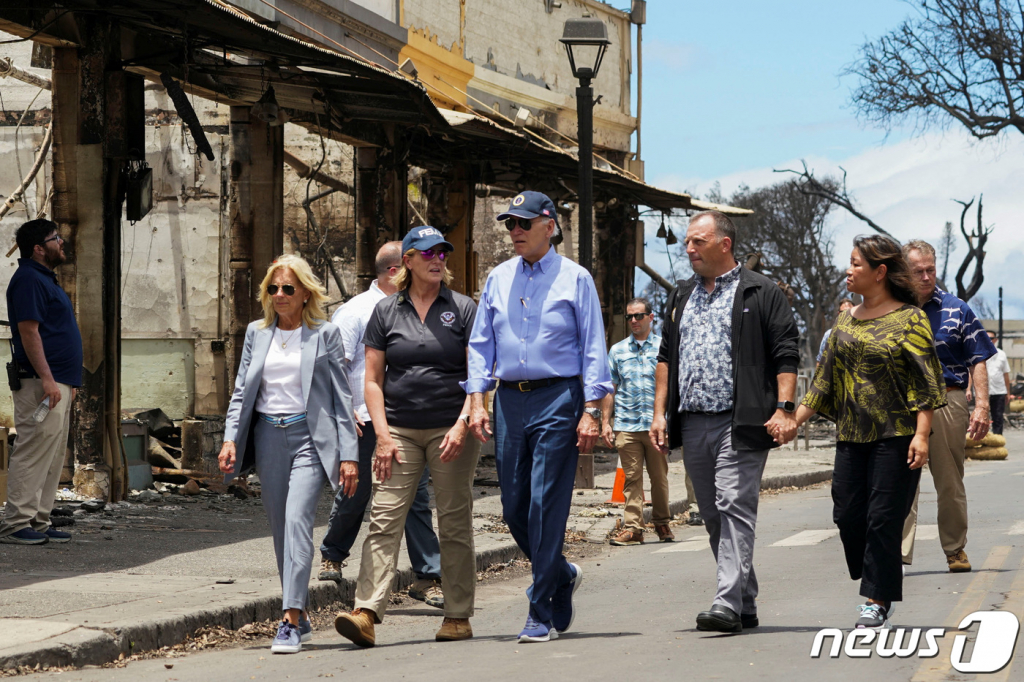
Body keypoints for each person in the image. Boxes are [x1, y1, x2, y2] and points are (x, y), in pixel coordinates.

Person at [465, 191, 613, 643]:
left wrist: (591, 409)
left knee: (545, 503)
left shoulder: (576, 278)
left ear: (549, 226)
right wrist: (476, 398)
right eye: (510, 223)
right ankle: (561, 572)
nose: (515, 232)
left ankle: (539, 608)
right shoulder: (498, 277)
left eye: (524, 224)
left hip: (558, 398)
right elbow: (480, 343)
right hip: (510, 399)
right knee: (513, 507)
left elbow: (593, 347)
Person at [650, 210, 800, 634]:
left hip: (743, 420)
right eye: (688, 242)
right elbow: (665, 358)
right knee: (713, 512)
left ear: (724, 244)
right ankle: (745, 599)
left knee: (734, 503)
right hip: (693, 420)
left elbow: (786, 353)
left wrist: (785, 409)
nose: (689, 248)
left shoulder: (761, 292)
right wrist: (659, 413)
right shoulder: (681, 295)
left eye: (697, 241)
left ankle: (726, 603)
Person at [791, 235, 946, 630]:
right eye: (850, 262)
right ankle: (881, 571)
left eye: (857, 264)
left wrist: (922, 434)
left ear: (880, 272)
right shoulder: (844, 321)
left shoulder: (911, 319)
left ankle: (876, 599)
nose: (849, 270)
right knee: (847, 514)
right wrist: (794, 420)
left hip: (896, 436)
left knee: (883, 518)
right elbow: (824, 380)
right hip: (852, 436)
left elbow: (926, 382)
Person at [334, 226, 480, 647]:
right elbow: (374, 380)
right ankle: (366, 612)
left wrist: (463, 422)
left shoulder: (463, 309)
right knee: (384, 516)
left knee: (453, 520)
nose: (438, 259)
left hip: (451, 426)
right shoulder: (386, 312)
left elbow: (477, 375)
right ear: (409, 261)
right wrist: (381, 435)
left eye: (443, 253)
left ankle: (456, 614)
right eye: (429, 253)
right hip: (397, 427)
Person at [218, 254, 358, 654]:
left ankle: (290, 620)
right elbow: (243, 392)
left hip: (309, 439)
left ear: (304, 294)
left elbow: (340, 398)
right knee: (281, 530)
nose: (279, 295)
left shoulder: (325, 334)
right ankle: (302, 613)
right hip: (267, 438)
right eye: (273, 288)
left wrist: (349, 454)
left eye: (288, 289)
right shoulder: (256, 333)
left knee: (298, 522)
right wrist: (230, 439)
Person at [317, 241, 446, 610]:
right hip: (362, 421)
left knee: (416, 499)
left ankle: (427, 575)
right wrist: (344, 418)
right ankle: (333, 554)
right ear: (396, 270)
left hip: (405, 421)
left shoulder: (418, 309)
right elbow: (333, 367)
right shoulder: (355, 312)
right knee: (354, 493)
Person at [900, 240, 996, 573]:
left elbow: (978, 358)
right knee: (897, 480)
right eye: (918, 271)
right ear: (905, 271)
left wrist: (982, 405)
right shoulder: (891, 307)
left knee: (950, 480)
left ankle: (955, 549)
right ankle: (895, 553)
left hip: (947, 398)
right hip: (901, 402)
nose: (926, 277)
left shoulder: (957, 308)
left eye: (930, 270)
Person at [0, 219, 81, 546]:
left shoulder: (45, 279)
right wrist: (48, 379)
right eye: (55, 238)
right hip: (40, 383)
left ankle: (38, 520)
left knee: (51, 456)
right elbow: (29, 332)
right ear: (38, 247)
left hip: (58, 383)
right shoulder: (30, 280)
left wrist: (67, 381)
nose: (61, 242)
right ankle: (15, 524)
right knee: (33, 451)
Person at [602, 297, 695, 545]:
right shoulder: (617, 351)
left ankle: (662, 524)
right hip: (627, 425)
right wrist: (605, 422)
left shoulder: (664, 348)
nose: (633, 320)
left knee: (659, 477)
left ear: (651, 317)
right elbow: (610, 389)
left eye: (639, 316)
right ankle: (634, 529)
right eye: (630, 316)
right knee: (631, 479)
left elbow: (675, 385)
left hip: (657, 426)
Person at [969, 331, 1010, 435]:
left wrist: (1008, 392)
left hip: (998, 391)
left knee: (998, 417)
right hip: (981, 392)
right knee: (980, 417)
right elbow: (971, 372)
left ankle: (997, 440)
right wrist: (968, 389)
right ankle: (982, 440)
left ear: (995, 340)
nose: (989, 340)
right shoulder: (976, 353)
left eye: (991, 338)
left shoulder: (1002, 354)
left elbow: (1006, 374)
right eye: (986, 337)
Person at [816, 298, 854, 369]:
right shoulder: (829, 335)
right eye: (843, 312)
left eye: (850, 311)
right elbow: (820, 361)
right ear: (839, 314)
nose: (847, 315)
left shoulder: (863, 335)